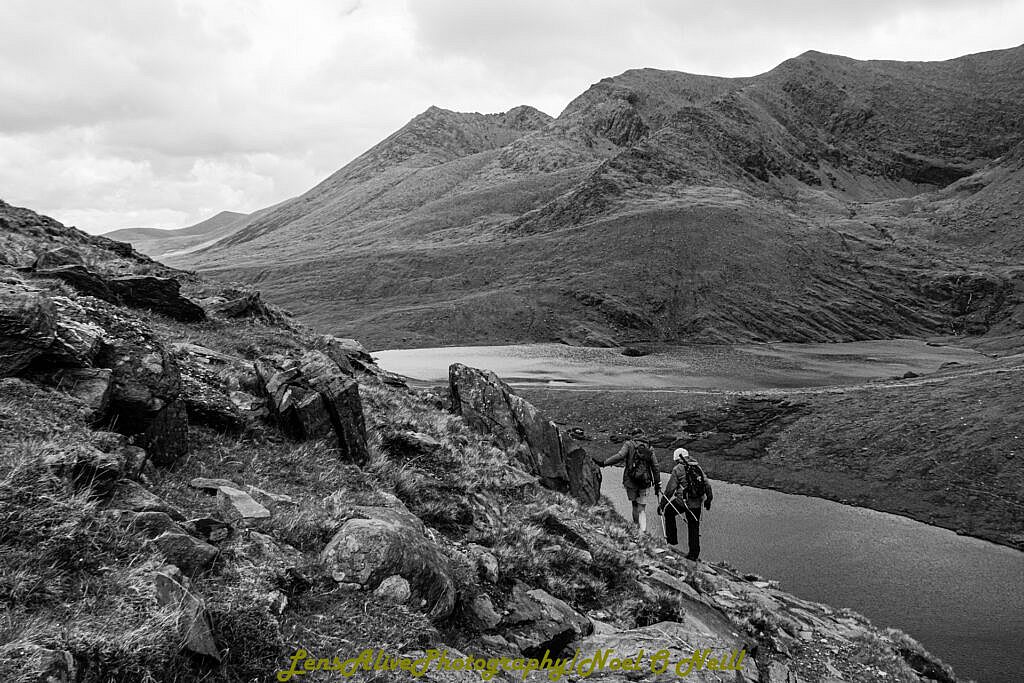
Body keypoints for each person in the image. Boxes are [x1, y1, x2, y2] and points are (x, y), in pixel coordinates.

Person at [600, 428, 660, 534]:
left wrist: (604, 463)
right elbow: (655, 466)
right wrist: (657, 483)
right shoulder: (649, 447)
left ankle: (636, 530)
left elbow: (620, 456)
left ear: (633, 435)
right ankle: (643, 532)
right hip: (645, 482)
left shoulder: (629, 444)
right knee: (642, 508)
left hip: (631, 480)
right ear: (643, 435)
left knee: (634, 505)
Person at [659, 448, 713, 561]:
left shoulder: (677, 469)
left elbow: (670, 489)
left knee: (669, 511)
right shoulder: (697, 466)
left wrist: (662, 505)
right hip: (697, 502)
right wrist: (708, 500)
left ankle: (671, 541)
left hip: (683, 502)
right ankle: (693, 555)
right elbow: (707, 484)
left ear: (676, 459)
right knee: (693, 526)